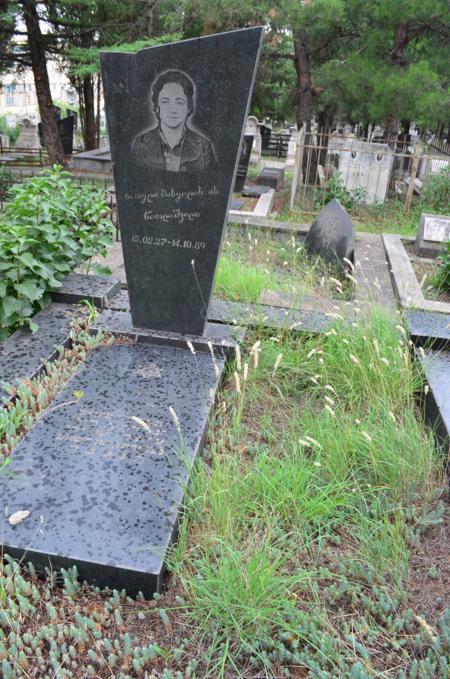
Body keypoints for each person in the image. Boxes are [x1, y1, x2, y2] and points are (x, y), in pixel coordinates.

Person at [132, 70, 217, 172]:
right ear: (157, 108)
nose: (172, 110)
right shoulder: (140, 144)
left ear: (188, 108)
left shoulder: (203, 146)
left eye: (179, 102)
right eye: (165, 102)